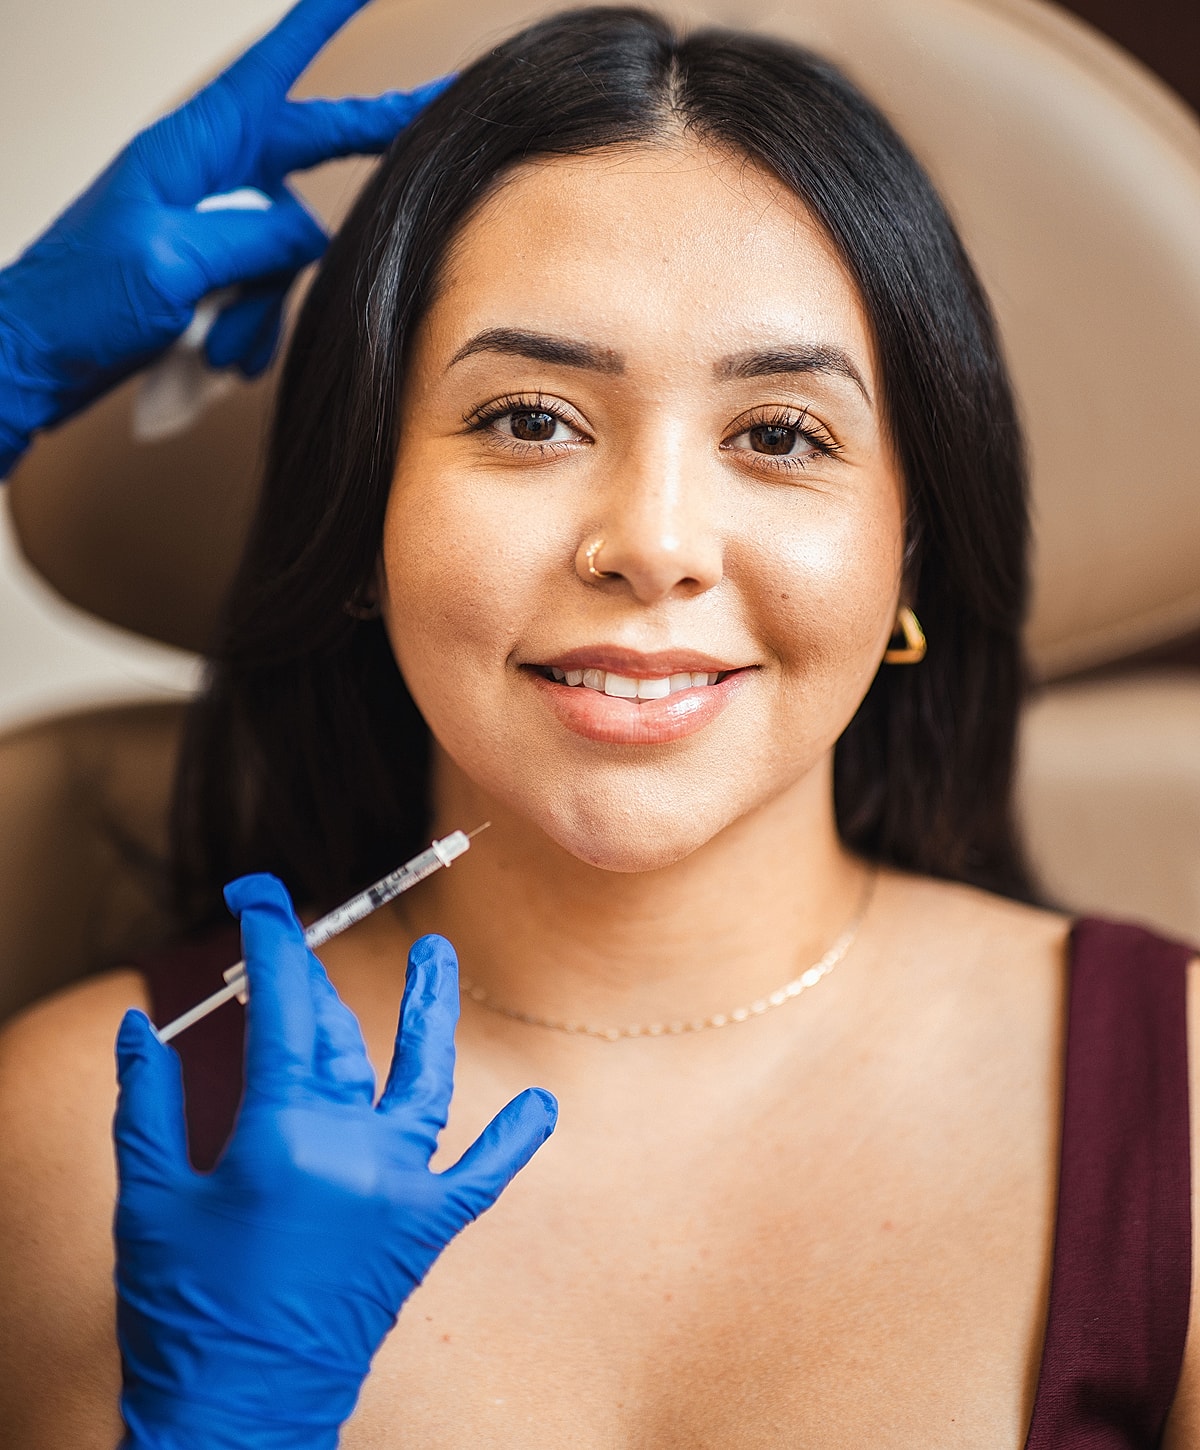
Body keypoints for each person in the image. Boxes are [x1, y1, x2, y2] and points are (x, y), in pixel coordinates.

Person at [0, 3, 1196, 1447]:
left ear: (910, 558)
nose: (653, 543)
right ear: (364, 521)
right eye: (529, 419)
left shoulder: (1179, 1112)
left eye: (780, 434)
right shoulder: (95, 1132)